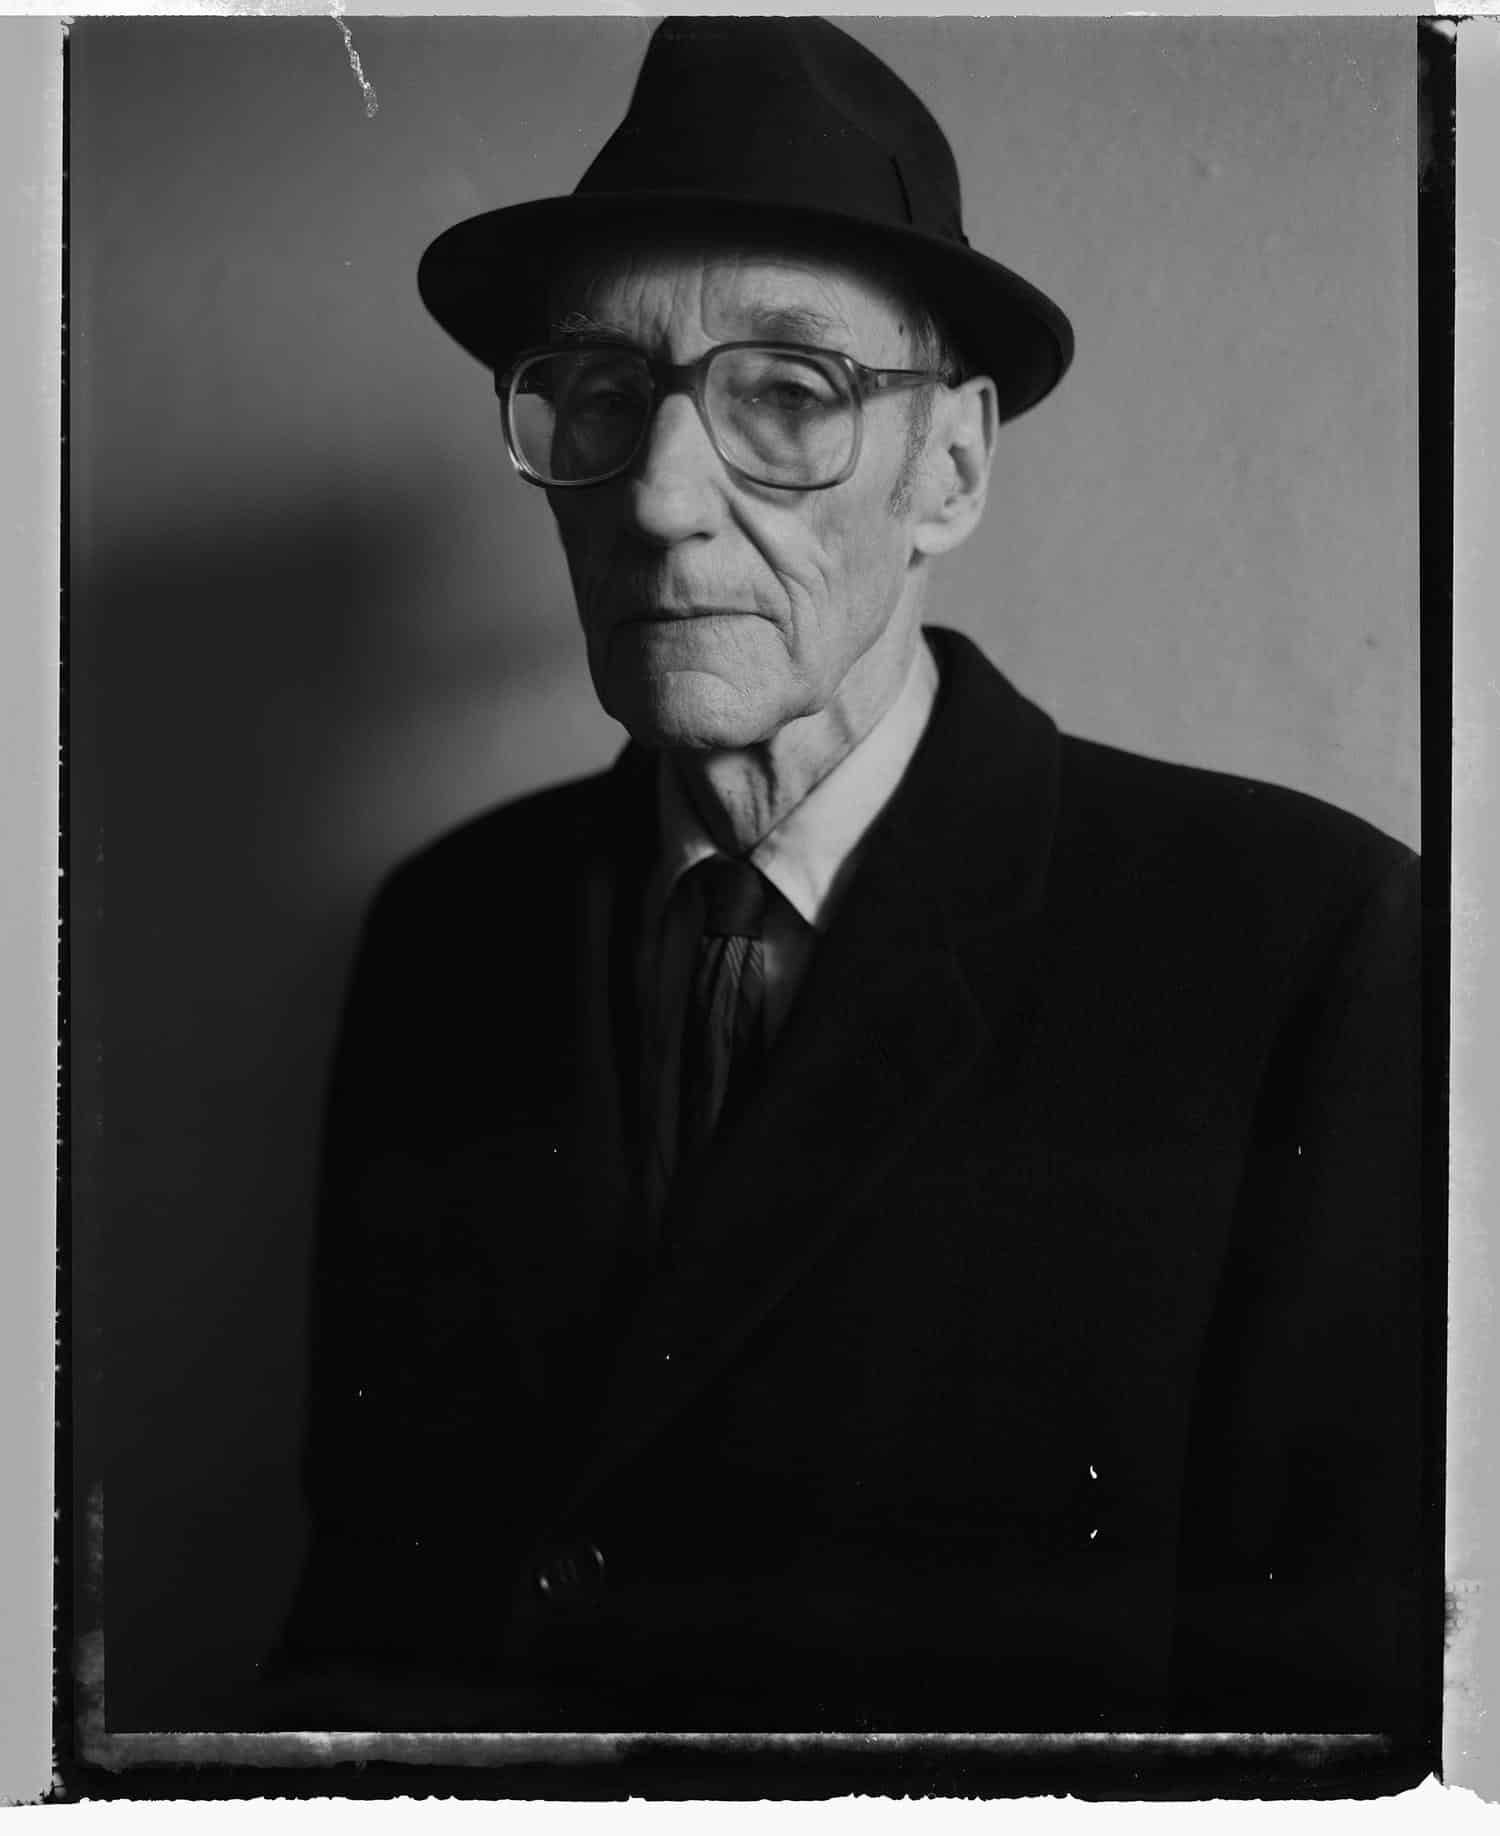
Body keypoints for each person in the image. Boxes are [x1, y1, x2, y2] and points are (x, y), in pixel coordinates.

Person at [277, 18, 1428, 1738]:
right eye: (601, 393)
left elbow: (1328, 1720)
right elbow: (366, 1611)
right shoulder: (445, 929)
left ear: (947, 470)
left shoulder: (1306, 943)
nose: (660, 498)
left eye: (789, 396)